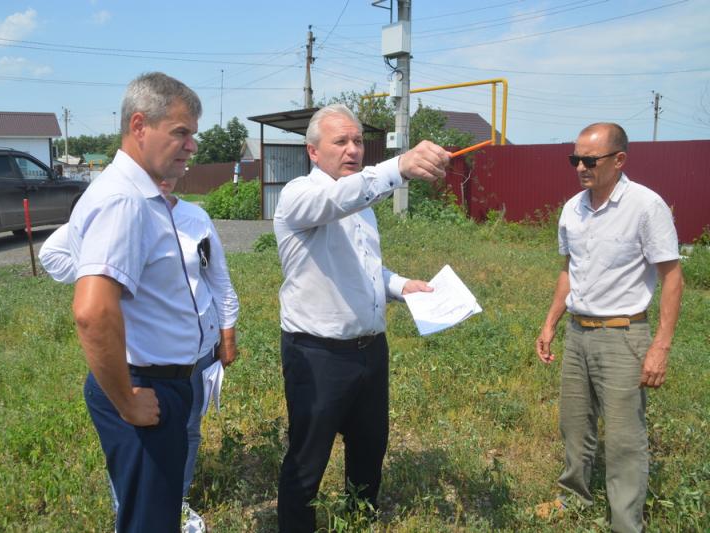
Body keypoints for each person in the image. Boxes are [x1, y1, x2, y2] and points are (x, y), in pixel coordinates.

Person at [273, 104, 451, 532]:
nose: (353, 150)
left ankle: (358, 522)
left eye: (357, 141)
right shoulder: (300, 195)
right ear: (313, 152)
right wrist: (400, 167)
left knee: (370, 450)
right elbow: (337, 200)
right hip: (318, 354)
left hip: (371, 350)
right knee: (307, 458)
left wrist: (400, 285)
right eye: (341, 142)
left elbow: (366, 266)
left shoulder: (363, 202)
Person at [39, 172, 238, 530]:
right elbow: (53, 254)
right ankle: (130, 507)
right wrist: (110, 281)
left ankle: (177, 500)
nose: (164, 179)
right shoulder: (121, 210)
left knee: (189, 428)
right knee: (140, 445)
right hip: (150, 359)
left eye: (172, 170)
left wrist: (227, 333)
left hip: (198, 351)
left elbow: (218, 278)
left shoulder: (196, 218)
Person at [66, 72, 206, 532]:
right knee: (149, 523)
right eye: (181, 132)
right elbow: (92, 312)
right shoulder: (124, 200)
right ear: (140, 125)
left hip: (158, 383)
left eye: (193, 134)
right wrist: (126, 401)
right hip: (145, 387)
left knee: (155, 515)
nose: (191, 146)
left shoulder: (139, 195)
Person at [535, 122, 684, 533]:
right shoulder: (573, 208)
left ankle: (624, 522)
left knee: (622, 439)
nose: (580, 167)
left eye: (589, 159)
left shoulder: (645, 206)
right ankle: (573, 496)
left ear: (619, 160)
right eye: (575, 159)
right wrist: (550, 324)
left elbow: (672, 277)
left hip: (624, 336)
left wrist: (660, 347)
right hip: (578, 334)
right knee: (575, 424)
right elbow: (569, 272)